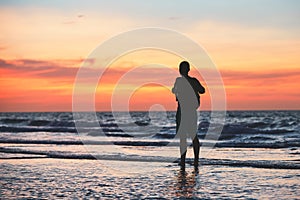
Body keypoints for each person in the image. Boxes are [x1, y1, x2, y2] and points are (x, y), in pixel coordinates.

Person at [172, 61, 205, 169]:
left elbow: (174, 90)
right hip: (190, 111)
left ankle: (183, 161)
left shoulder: (179, 81)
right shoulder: (193, 81)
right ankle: (195, 161)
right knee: (193, 136)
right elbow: (202, 90)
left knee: (183, 138)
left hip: (182, 111)